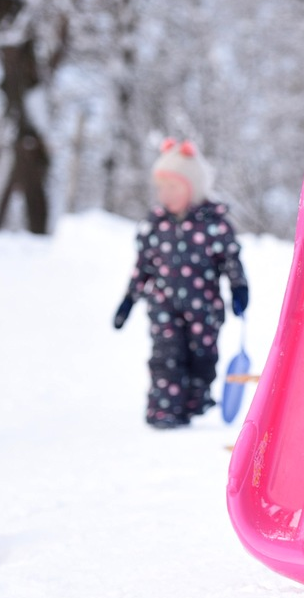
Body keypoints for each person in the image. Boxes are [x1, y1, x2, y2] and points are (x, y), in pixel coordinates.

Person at [113, 138, 249, 429]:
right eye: (161, 187)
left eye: (172, 187)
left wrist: (239, 288)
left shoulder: (215, 223)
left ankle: (193, 402)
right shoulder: (155, 224)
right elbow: (143, 267)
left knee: (202, 357)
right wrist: (129, 300)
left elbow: (231, 260)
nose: (165, 194)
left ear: (192, 187)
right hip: (164, 306)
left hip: (205, 309)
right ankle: (163, 409)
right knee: (166, 356)